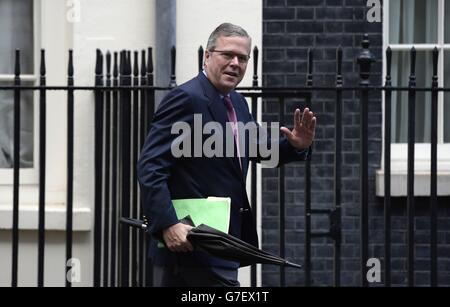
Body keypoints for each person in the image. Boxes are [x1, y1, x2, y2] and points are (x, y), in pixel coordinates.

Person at [137, 22, 316, 287]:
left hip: (222, 244)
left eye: (243, 58)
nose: (236, 63)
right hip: (188, 246)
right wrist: (168, 224)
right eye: (228, 55)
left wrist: (297, 145)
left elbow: (258, 149)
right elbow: (151, 166)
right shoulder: (186, 98)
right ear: (207, 56)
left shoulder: (238, 103)